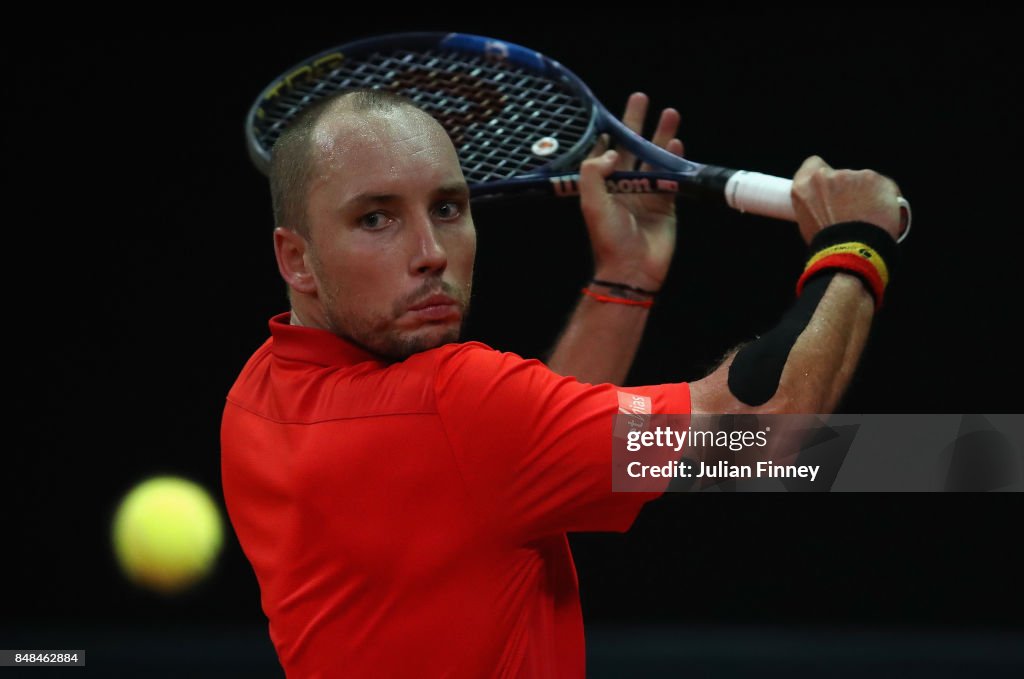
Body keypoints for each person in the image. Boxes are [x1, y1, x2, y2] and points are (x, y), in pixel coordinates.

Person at [221, 88, 905, 677]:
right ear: (296, 258)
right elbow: (766, 427)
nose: (431, 254)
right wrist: (852, 241)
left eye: (449, 208)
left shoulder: (253, 398)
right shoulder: (454, 405)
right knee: (961, 453)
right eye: (376, 218)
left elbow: (524, 464)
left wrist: (623, 280)